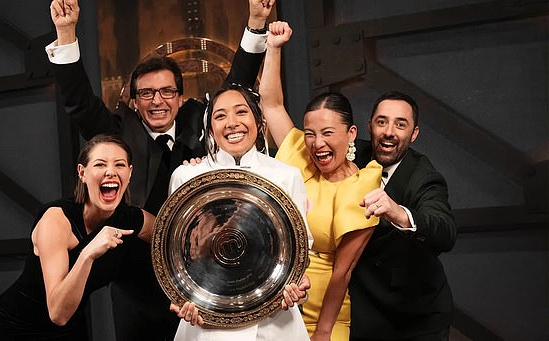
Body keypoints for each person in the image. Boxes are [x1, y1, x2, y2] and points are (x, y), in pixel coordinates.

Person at [46, 1, 276, 339]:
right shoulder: (117, 131)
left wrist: (256, 22)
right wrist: (66, 33)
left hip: (204, 275)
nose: (158, 100)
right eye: (147, 94)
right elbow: (79, 102)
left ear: (181, 98)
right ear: (135, 102)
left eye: (167, 91)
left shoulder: (200, 122)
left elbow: (236, 85)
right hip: (136, 284)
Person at [258, 22, 383, 340]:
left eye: (328, 133)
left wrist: (324, 332)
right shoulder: (298, 153)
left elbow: (343, 271)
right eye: (311, 133)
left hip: (323, 317)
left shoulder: (363, 184)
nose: (316, 143)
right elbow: (271, 103)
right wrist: (273, 48)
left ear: (351, 134)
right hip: (275, 307)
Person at [168, 83, 312, 340]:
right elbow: (177, 254)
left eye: (241, 112)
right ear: (210, 127)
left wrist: (299, 284)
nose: (232, 123)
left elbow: (300, 247)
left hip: (274, 320)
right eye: (220, 115)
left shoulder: (286, 175)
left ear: (259, 120)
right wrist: (181, 296)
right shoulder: (187, 177)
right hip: (208, 319)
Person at [0, 134, 154, 340]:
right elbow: (58, 313)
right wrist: (87, 255)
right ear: (82, 173)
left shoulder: (131, 219)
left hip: (71, 327)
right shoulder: (56, 220)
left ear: (129, 173)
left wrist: (199, 168)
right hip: (18, 327)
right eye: (100, 165)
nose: (111, 172)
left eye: (119, 165)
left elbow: (177, 235)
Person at [349, 91, 457, 341]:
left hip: (416, 317)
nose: (389, 131)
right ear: (370, 126)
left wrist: (397, 212)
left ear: (414, 134)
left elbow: (445, 231)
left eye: (401, 124)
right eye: (382, 121)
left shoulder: (424, 176)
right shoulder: (353, 154)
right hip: (365, 308)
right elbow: (298, 139)